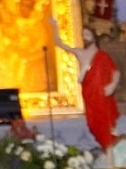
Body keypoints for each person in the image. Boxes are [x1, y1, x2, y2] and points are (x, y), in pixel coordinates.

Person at [50, 19, 120, 152]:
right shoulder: (80, 53)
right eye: (83, 35)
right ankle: (107, 152)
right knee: (93, 124)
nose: (85, 37)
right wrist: (55, 28)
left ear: (94, 36)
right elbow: (60, 44)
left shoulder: (103, 56)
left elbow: (116, 72)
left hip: (102, 95)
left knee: (105, 125)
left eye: (87, 34)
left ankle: (110, 158)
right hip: (89, 94)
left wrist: (112, 85)